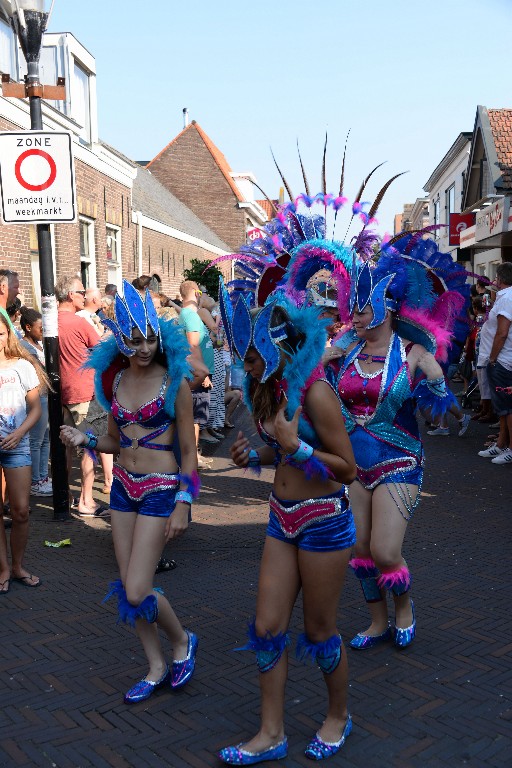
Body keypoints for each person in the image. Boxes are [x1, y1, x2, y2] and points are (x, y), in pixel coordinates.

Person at [218, 287, 357, 764]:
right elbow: (279, 451)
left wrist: (295, 447)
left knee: (319, 632)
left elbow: (347, 468)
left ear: (279, 348)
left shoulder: (316, 392)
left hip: (324, 523)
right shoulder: (268, 389)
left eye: (253, 355)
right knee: (267, 626)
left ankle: (338, 715)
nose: (246, 364)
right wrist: (253, 455)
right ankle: (270, 732)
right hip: (281, 518)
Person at [60, 280, 200, 701]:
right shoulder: (116, 382)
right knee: (127, 584)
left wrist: (184, 502)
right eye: (134, 340)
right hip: (123, 488)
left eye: (149, 338)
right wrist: (84, 439)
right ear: (121, 340)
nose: (142, 348)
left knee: (140, 588)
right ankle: (155, 665)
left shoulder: (176, 383)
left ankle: (182, 641)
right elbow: (116, 443)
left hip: (161, 488)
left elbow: (190, 455)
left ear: (159, 336)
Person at [328, 241, 468, 651]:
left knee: (386, 551)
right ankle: (376, 621)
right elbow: (305, 393)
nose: (352, 315)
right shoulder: (341, 351)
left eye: (361, 308)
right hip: (352, 464)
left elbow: (441, 413)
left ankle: (403, 609)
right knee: (360, 549)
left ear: (386, 309)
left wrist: (439, 387)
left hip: (399, 460)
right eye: (351, 307)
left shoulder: (414, 354)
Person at [0, 313, 46, 594]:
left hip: (18, 446)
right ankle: (3, 569)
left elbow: (36, 409)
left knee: (20, 512)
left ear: (8, 334)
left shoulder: (22, 366)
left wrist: (19, 433)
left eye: (0, 333)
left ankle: (17, 566)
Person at [56, 276, 106, 516]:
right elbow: (102, 349)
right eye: (80, 292)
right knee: (89, 446)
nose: (84, 296)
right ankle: (86, 501)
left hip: (60, 393)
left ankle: (65, 496)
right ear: (69, 295)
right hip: (83, 392)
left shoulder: (49, 322)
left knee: (65, 447)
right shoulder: (78, 323)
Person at [477, 262, 512, 465]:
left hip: (502, 360)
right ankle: (501, 444)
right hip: (502, 358)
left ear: (501, 278)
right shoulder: (505, 297)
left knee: (506, 407)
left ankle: (509, 448)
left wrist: (493, 358)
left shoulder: (507, 298)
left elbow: (502, 332)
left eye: (496, 277)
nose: (494, 281)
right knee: (502, 407)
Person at [178, 281, 215, 468]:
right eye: (200, 291)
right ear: (195, 292)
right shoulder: (190, 316)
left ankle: (194, 454)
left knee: (195, 418)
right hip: (198, 374)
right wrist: (203, 373)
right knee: (195, 419)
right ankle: (192, 457)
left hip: (197, 372)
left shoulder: (186, 314)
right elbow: (192, 347)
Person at [19, 307, 52, 496]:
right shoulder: (25, 348)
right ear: (28, 327)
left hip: (45, 394)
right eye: (41, 328)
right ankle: (34, 481)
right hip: (36, 396)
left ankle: (42, 477)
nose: (43, 331)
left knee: (46, 438)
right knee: (35, 440)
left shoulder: (41, 345)